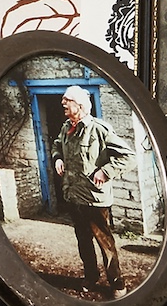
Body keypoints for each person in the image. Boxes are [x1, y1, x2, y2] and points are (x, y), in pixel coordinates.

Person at [51, 84, 132, 294]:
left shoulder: (99, 129)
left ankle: (117, 283)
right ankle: (91, 276)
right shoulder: (65, 128)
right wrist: (58, 158)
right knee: (83, 241)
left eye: (66, 100)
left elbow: (128, 156)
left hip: (95, 199)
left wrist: (105, 172)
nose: (63, 103)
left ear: (79, 104)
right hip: (74, 196)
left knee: (105, 242)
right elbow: (57, 145)